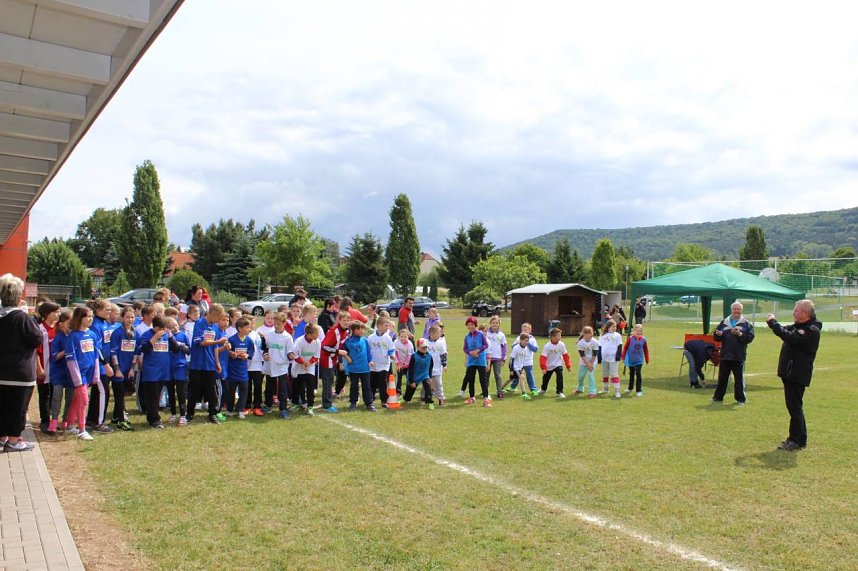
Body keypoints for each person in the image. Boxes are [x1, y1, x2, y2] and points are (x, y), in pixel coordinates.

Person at [766, 300, 822, 451]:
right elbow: (785, 330)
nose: (793, 313)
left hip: (797, 374)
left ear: (805, 313)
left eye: (796, 311)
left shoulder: (810, 330)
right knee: (795, 406)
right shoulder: (799, 327)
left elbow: (790, 337)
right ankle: (800, 439)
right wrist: (775, 325)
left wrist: (773, 323)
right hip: (790, 372)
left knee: (794, 407)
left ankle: (795, 440)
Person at [0, 274, 42, 451]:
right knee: (18, 409)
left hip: (2, 371)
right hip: (20, 373)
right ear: (18, 297)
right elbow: (37, 339)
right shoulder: (22, 318)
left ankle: (2, 436)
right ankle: (14, 440)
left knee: (2, 407)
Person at [187, 303, 228, 424]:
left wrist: (217, 362)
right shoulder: (199, 323)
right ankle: (189, 413)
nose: (218, 320)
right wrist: (218, 341)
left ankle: (212, 413)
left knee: (211, 390)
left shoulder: (215, 326)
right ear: (213, 314)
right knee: (194, 389)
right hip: (197, 362)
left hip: (210, 363)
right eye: (218, 317)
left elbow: (215, 347)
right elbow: (201, 342)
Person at [63, 307, 98, 441]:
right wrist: (77, 379)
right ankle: (82, 430)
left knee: (77, 400)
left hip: (89, 373)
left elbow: (96, 355)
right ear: (79, 318)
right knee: (84, 401)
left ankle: (69, 426)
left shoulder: (92, 334)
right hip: (79, 375)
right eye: (87, 316)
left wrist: (95, 374)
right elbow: (70, 359)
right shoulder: (73, 336)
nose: (90, 319)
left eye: (91, 316)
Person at [711, 302, 755, 405]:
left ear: (741, 311)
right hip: (725, 355)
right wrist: (718, 335)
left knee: (739, 379)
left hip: (738, 355)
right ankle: (718, 397)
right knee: (722, 378)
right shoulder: (724, 322)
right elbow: (716, 337)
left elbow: (750, 338)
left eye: (738, 309)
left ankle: (740, 399)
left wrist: (740, 334)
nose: (736, 311)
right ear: (731, 310)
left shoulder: (746, 324)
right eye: (735, 309)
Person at [109, 307, 137, 430]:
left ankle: (116, 416)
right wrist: (117, 369)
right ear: (122, 318)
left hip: (128, 369)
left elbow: (136, 352)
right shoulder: (117, 333)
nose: (130, 320)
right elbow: (113, 353)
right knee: (119, 395)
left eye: (132, 317)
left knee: (124, 393)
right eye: (127, 317)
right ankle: (121, 420)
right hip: (119, 369)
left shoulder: (135, 333)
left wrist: (132, 368)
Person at [34, 301, 60, 432]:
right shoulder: (40, 329)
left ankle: (53, 420)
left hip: (56, 370)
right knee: (45, 395)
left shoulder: (58, 328)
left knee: (55, 395)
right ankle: (44, 421)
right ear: (47, 314)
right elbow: (36, 352)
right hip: (45, 369)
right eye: (55, 312)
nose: (58, 314)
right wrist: (39, 368)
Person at [340, 321, 375, 411]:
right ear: (353, 330)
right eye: (359, 329)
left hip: (365, 369)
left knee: (367, 386)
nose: (361, 331)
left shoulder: (365, 340)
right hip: (354, 369)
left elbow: (368, 353)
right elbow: (343, 352)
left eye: (362, 329)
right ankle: (353, 402)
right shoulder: (348, 341)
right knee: (354, 386)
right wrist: (347, 358)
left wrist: (370, 361)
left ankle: (369, 403)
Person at [226, 317, 255, 419]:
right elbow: (226, 351)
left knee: (243, 390)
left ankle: (240, 410)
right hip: (232, 370)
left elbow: (251, 351)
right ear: (240, 328)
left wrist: (247, 355)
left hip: (243, 370)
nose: (249, 329)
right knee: (231, 391)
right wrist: (231, 354)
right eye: (247, 327)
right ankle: (229, 409)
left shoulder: (249, 340)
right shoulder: (232, 339)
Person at [289, 323, 321, 415]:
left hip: (310, 366)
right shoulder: (299, 341)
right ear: (309, 334)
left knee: (311, 385)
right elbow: (294, 355)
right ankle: (296, 403)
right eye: (316, 333)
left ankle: (310, 406)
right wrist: (303, 362)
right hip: (298, 367)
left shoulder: (317, 341)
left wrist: (309, 362)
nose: (318, 335)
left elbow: (316, 356)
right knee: (297, 386)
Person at [165, 317, 190, 425]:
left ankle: (183, 415)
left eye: (176, 325)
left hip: (180, 366)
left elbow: (189, 350)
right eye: (171, 327)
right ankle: (173, 413)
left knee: (181, 392)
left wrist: (180, 345)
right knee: (170, 391)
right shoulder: (165, 337)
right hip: (168, 367)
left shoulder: (183, 335)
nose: (175, 328)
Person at [462, 316, 491, 407]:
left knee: (483, 380)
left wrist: (477, 351)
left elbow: (485, 345)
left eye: (472, 324)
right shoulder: (467, 336)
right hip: (471, 361)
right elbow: (465, 349)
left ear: (475, 325)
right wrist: (470, 352)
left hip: (480, 360)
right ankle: (472, 397)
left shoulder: (481, 334)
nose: (470, 326)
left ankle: (486, 399)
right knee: (471, 379)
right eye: (468, 325)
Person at [368, 318, 395, 407]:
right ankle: (371, 400)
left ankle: (384, 401)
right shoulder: (371, 337)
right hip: (373, 365)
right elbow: (368, 350)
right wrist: (369, 360)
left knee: (382, 384)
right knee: (372, 384)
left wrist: (392, 355)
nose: (387, 327)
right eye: (386, 326)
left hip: (384, 365)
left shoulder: (388, 338)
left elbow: (391, 349)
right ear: (379, 326)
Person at [540, 327, 572, 398]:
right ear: (553, 336)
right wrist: (543, 367)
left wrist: (568, 366)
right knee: (546, 378)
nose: (560, 336)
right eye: (558, 335)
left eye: (560, 335)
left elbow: (565, 356)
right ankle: (543, 389)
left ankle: (559, 392)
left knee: (560, 376)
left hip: (558, 364)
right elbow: (543, 358)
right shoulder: (547, 346)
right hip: (549, 365)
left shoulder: (562, 345)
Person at [403, 338, 434, 408]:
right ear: (418, 347)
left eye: (425, 347)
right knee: (410, 389)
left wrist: (430, 376)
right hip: (415, 375)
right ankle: (406, 399)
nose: (424, 349)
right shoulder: (414, 356)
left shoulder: (429, 356)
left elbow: (430, 366)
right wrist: (411, 381)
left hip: (425, 375)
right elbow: (410, 369)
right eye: (422, 347)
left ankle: (429, 402)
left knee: (428, 387)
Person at [622, 324, 650, 396]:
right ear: (634, 331)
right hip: (631, 360)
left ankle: (639, 390)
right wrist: (623, 357)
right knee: (631, 374)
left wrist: (647, 359)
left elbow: (646, 350)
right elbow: (625, 348)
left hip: (639, 360)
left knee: (638, 374)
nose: (638, 332)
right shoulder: (630, 339)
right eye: (637, 331)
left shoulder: (643, 340)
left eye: (640, 331)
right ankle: (630, 388)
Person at [598, 319, 623, 398]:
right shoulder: (602, 336)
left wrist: (618, 356)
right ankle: (606, 388)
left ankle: (617, 391)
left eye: (615, 326)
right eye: (613, 326)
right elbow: (600, 346)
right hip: (604, 358)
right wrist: (599, 356)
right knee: (605, 373)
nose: (614, 328)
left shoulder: (617, 335)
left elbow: (619, 346)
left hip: (613, 358)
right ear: (608, 327)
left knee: (614, 374)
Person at [509, 333, 538, 400]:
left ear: (530, 330)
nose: (524, 331)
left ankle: (533, 389)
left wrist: (528, 343)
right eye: (523, 329)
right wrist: (511, 369)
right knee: (517, 377)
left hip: (527, 362)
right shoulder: (518, 341)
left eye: (526, 329)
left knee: (528, 375)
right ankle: (517, 389)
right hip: (517, 364)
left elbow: (535, 349)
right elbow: (512, 350)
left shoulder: (532, 340)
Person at [486, 315, 508, 400]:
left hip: (497, 358)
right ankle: (485, 392)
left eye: (496, 323)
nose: (495, 324)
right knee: (486, 375)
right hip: (487, 358)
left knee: (497, 375)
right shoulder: (487, 333)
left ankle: (499, 392)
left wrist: (503, 358)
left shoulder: (501, 334)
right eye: (493, 323)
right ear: (490, 323)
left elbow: (504, 347)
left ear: (499, 324)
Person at [425, 324, 448, 406]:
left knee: (438, 383)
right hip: (427, 368)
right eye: (439, 333)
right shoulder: (425, 342)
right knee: (427, 383)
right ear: (432, 334)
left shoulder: (440, 343)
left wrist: (444, 365)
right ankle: (426, 398)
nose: (440, 334)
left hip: (437, 368)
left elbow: (443, 355)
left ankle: (441, 398)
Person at [575, 326, 600, 397]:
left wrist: (591, 364)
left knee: (591, 375)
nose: (591, 334)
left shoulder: (595, 342)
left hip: (593, 361)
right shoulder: (580, 343)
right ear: (584, 334)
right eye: (589, 333)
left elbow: (595, 353)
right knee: (581, 376)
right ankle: (580, 388)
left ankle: (592, 392)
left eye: (591, 333)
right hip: (584, 361)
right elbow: (582, 355)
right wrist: (587, 364)